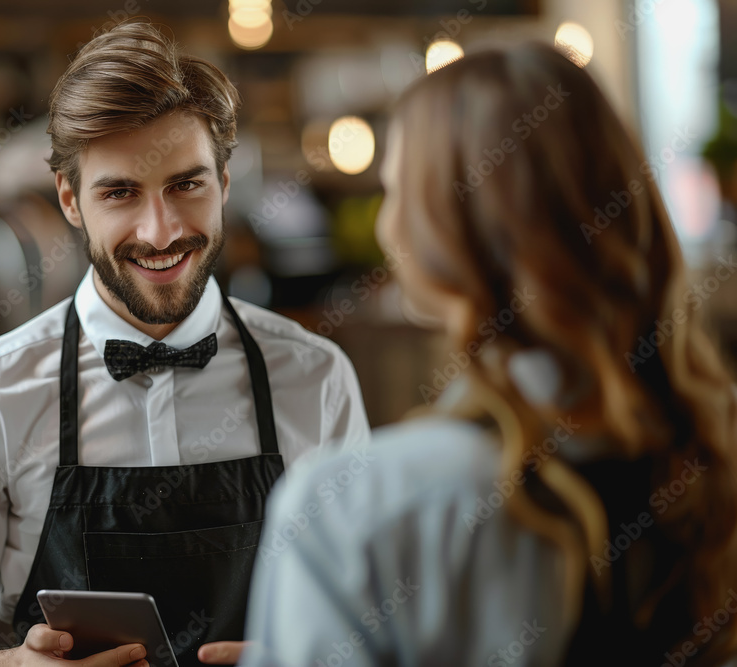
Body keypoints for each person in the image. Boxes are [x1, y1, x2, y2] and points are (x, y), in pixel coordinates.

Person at [0, 21, 370, 667]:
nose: (160, 230)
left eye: (185, 185)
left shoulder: (317, 376)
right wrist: (5, 665)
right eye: (120, 193)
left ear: (224, 183)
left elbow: (374, 619)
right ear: (71, 200)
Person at [239, 42, 737, 667]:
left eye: (395, 191)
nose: (388, 224)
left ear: (439, 232)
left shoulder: (354, 508)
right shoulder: (711, 453)